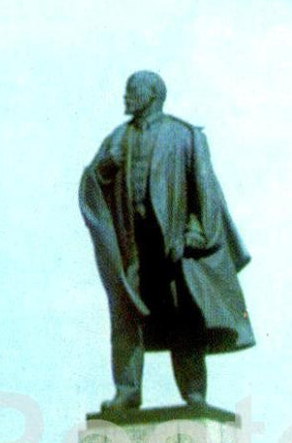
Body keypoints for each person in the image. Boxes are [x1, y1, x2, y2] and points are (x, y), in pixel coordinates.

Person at [80, 70, 254, 412]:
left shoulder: (184, 136)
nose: (126, 96)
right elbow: (91, 182)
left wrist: (196, 232)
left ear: (153, 94)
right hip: (133, 246)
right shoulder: (118, 138)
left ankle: (194, 393)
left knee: (183, 316)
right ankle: (127, 390)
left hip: (174, 246)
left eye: (133, 91)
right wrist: (102, 169)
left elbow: (206, 191)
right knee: (125, 316)